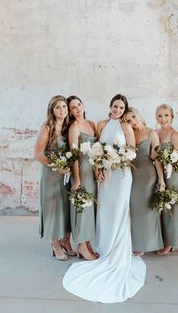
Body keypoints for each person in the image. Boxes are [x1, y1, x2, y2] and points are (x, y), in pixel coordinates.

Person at [63, 94, 146, 303]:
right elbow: (97, 150)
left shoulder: (126, 127)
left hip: (121, 175)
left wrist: (116, 158)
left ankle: (115, 249)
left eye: (121, 107)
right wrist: (100, 166)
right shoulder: (100, 124)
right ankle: (101, 245)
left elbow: (132, 152)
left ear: (124, 109)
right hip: (105, 176)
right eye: (115, 106)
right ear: (110, 106)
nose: (117, 110)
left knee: (119, 209)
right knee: (104, 210)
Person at [34, 95, 73, 261]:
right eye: (58, 107)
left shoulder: (66, 127)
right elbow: (38, 155)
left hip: (64, 175)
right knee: (52, 209)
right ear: (52, 110)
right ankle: (54, 243)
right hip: (51, 175)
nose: (62, 110)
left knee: (64, 208)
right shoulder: (47, 127)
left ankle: (65, 241)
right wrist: (57, 166)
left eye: (64, 107)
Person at [124, 107, 164, 256]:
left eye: (133, 117)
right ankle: (136, 242)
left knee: (147, 210)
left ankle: (149, 243)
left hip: (148, 174)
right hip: (132, 174)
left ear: (139, 115)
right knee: (134, 209)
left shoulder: (151, 132)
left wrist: (161, 179)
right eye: (128, 120)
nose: (132, 122)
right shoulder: (129, 133)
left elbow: (157, 158)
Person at [67, 95, 98, 260]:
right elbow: (74, 155)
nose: (77, 108)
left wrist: (98, 170)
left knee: (90, 208)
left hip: (92, 172)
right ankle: (80, 244)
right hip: (81, 172)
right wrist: (77, 179)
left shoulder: (91, 124)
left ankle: (86, 244)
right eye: (73, 107)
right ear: (70, 112)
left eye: (79, 104)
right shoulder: (74, 128)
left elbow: (98, 149)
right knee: (82, 208)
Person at [155, 104, 178, 254]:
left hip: (172, 175)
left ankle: (171, 242)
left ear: (172, 117)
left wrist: (168, 161)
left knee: (171, 207)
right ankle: (162, 239)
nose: (163, 118)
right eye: (160, 115)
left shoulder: (174, 135)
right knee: (161, 208)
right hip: (158, 174)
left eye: (166, 115)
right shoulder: (156, 132)